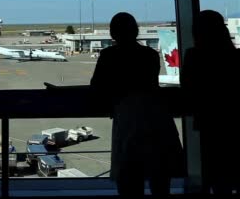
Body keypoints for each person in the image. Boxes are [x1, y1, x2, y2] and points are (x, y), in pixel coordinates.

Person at [90, 12, 183, 196]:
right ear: (136, 31)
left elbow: (97, 86)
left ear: (112, 34)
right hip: (157, 118)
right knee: (160, 179)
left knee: (129, 179)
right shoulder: (150, 54)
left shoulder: (109, 55)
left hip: (129, 119)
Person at [181, 10, 240, 194]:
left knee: (213, 172)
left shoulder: (194, 55)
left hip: (209, 121)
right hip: (234, 120)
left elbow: (188, 86)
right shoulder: (236, 56)